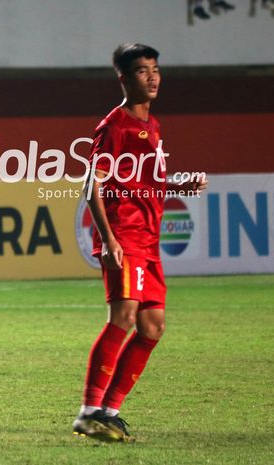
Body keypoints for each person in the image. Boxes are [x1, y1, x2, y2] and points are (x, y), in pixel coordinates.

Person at [72, 44, 207, 442]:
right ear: (124, 79)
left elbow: (139, 179)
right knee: (124, 317)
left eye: (156, 69)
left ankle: (109, 412)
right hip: (124, 237)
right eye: (143, 71)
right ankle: (88, 412)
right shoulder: (115, 126)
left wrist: (176, 182)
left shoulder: (153, 125)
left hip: (149, 241)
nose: (152, 77)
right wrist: (109, 239)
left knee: (152, 326)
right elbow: (91, 186)